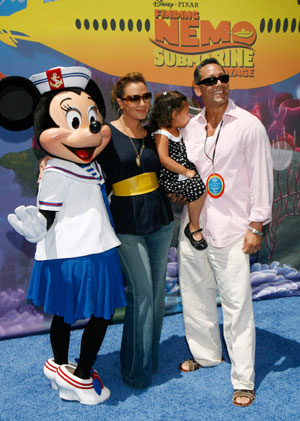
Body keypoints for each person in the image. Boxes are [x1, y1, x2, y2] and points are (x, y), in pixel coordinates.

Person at [3, 66, 127, 405]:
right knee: (88, 314)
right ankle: (79, 376)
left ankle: (61, 365)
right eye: (74, 122)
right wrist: (38, 226)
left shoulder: (90, 165)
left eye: (92, 121)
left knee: (78, 313)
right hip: (74, 253)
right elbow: (47, 212)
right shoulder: (56, 169)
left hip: (97, 246)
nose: (87, 134)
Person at [177, 58, 273, 407]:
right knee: (195, 296)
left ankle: (244, 379)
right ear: (197, 89)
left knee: (237, 308)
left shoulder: (249, 126)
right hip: (195, 228)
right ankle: (205, 354)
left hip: (235, 230)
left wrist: (256, 225)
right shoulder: (189, 127)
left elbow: (262, 177)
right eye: (210, 80)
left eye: (223, 77)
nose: (219, 83)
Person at [96, 72, 174, 388]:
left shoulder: (155, 132)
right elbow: (76, 154)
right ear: (120, 102)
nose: (142, 103)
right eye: (134, 98)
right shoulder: (105, 133)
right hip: (126, 223)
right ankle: (135, 372)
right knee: (141, 295)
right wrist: (48, 158)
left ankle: (148, 361)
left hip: (161, 219)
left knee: (155, 296)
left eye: (146, 97)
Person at [149, 91, 207, 250]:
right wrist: (185, 171)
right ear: (174, 114)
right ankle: (193, 226)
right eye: (187, 113)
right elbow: (164, 159)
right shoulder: (162, 133)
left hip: (182, 175)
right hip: (171, 178)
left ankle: (193, 223)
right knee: (199, 189)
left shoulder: (180, 130)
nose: (189, 116)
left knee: (200, 188)